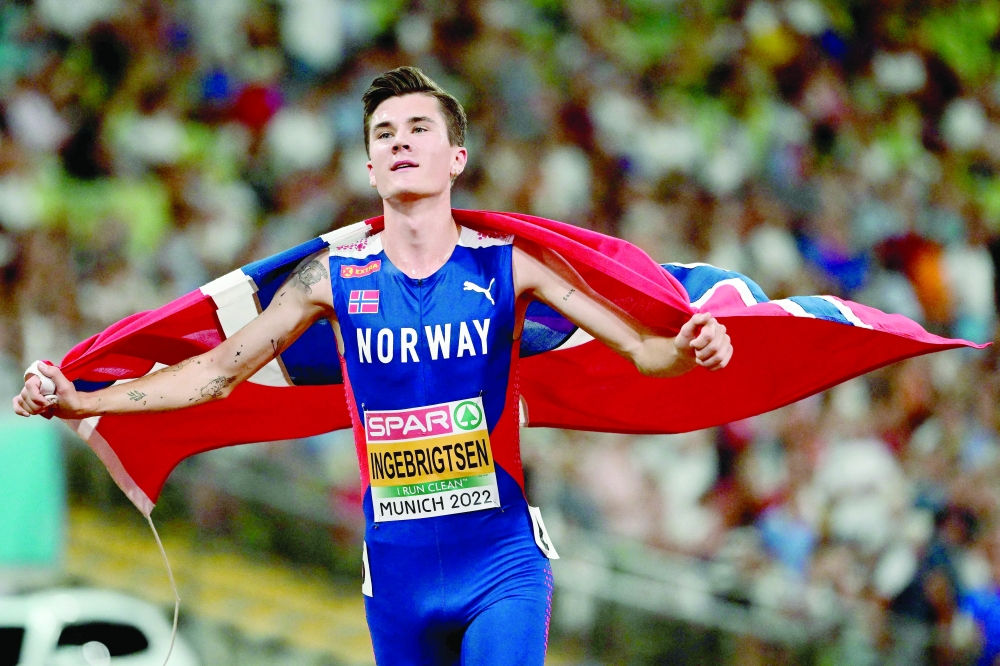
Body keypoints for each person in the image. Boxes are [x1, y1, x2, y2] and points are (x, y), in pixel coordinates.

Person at [13, 67, 733, 665]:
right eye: (383, 134)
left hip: (500, 565)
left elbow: (644, 352)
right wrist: (80, 400)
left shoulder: (512, 268)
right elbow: (214, 374)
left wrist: (692, 347)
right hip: (397, 578)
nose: (400, 142)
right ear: (369, 167)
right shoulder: (329, 280)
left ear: (457, 157)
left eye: (419, 128)